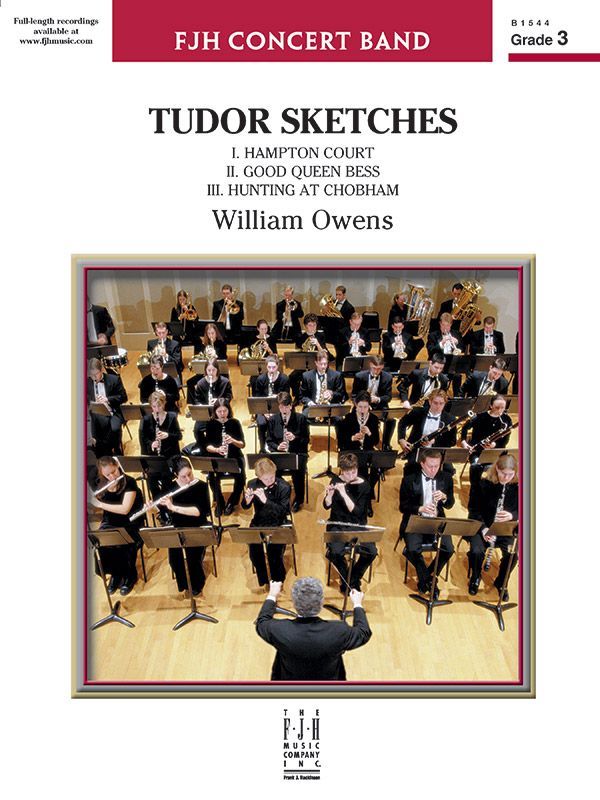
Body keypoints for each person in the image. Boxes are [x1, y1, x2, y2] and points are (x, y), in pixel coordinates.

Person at [255, 577, 371, 680]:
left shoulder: (280, 630)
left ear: (294, 603)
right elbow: (363, 632)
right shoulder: (338, 631)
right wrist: (357, 604)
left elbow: (261, 622)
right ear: (321, 603)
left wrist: (272, 595)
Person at [399, 448, 455, 596]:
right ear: (422, 464)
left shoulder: (446, 478)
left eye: (437, 466)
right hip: (415, 520)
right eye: (430, 466)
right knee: (413, 549)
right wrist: (421, 508)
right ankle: (430, 582)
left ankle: (428, 576)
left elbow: (450, 504)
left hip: (437, 520)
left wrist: (444, 497)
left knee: (448, 549)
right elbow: (403, 507)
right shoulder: (409, 480)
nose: (433, 470)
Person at [88, 456, 145, 596]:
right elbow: (102, 509)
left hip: (130, 522)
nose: (112, 476)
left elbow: (125, 509)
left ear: (118, 466)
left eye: (114, 471)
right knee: (103, 543)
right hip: (110, 521)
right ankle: (116, 575)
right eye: (108, 474)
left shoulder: (129, 482)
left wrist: (99, 504)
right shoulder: (102, 483)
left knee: (122, 543)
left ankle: (129, 575)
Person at [157, 457, 212, 597]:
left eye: (190, 474)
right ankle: (184, 584)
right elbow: (162, 511)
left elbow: (199, 512)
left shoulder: (200, 486)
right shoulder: (169, 488)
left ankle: (197, 584)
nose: (188, 479)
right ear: (176, 475)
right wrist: (152, 508)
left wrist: (173, 507)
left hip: (197, 526)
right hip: (177, 526)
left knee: (193, 558)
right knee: (174, 560)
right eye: (183, 476)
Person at [466, 452, 518, 599]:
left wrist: (512, 516)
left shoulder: (519, 487)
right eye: (503, 473)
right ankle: (475, 577)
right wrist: (484, 529)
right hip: (482, 527)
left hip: (505, 529)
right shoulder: (484, 485)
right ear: (496, 469)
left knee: (513, 554)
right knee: (476, 551)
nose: (506, 478)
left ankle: (501, 582)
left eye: (510, 474)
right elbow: (473, 510)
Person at [324, 452, 376, 592]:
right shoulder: (335, 480)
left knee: (371, 551)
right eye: (347, 473)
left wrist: (344, 494)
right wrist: (329, 495)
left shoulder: (364, 486)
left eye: (354, 472)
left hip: (357, 525)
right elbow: (327, 505)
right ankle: (349, 581)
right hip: (337, 525)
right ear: (341, 471)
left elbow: (357, 512)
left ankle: (352, 578)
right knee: (335, 552)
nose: (351, 476)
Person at [241, 457, 291, 587]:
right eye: (265, 479)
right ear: (259, 477)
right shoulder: (252, 484)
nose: (269, 481)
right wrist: (247, 500)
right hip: (259, 521)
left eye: (272, 477)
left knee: (274, 553)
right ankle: (263, 579)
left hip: (278, 523)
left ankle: (278, 579)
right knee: (254, 552)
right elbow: (245, 506)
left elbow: (283, 511)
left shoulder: (284, 487)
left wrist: (265, 501)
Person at [336, 392, 381, 516]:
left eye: (365, 407)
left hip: (367, 451)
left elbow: (376, 441)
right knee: (360, 471)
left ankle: (367, 494)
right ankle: (358, 496)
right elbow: (341, 440)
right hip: (352, 451)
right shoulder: (348, 418)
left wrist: (369, 433)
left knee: (376, 471)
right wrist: (352, 438)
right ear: (355, 405)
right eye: (360, 407)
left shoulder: (373, 419)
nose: (362, 410)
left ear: (369, 406)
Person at [265, 392, 310, 512]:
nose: (283, 410)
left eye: (286, 407)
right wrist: (278, 447)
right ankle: (280, 495)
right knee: (273, 471)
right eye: (281, 407)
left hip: (297, 452)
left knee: (298, 471)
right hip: (280, 453)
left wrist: (295, 438)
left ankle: (298, 499)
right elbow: (269, 441)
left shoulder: (300, 419)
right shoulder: (273, 420)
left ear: (291, 406)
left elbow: (306, 440)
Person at [203, 398, 246, 515]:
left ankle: (232, 501)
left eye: (225, 411)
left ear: (229, 410)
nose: (222, 414)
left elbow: (242, 444)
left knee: (241, 478)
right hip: (217, 457)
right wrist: (217, 449)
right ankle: (220, 501)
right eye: (219, 411)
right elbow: (207, 446)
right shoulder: (210, 424)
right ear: (215, 411)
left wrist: (232, 440)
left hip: (234, 457)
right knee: (212, 478)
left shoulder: (235, 423)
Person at [397, 389, 457, 461]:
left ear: (445, 403)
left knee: (448, 468)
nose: (438, 406)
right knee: (412, 467)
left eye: (441, 403)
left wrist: (434, 441)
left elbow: (452, 441)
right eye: (435, 403)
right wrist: (401, 439)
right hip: (417, 450)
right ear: (430, 401)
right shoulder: (418, 412)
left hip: (438, 453)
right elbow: (402, 423)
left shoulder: (450, 419)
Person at [351, 355, 395, 449]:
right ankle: (354, 441)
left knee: (391, 420)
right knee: (351, 416)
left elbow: (388, 397)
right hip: (362, 405)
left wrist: (378, 399)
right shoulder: (359, 376)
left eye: (379, 369)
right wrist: (363, 405)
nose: (376, 371)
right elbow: (354, 395)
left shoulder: (388, 377)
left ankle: (386, 444)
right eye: (374, 368)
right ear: (370, 364)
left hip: (379, 405)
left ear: (383, 366)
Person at [87, 357, 127, 456]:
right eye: (91, 375)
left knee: (114, 428)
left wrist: (107, 399)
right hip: (96, 415)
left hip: (113, 412)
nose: (94, 377)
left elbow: (123, 397)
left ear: (101, 370)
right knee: (93, 433)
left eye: (96, 374)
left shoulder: (114, 379)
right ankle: (102, 453)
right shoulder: (87, 383)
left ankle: (116, 449)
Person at [252, 355, 290, 449]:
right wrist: (265, 413)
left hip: (280, 409)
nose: (271, 370)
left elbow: (287, 398)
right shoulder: (261, 379)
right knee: (261, 423)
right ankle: (262, 448)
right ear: (266, 366)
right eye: (269, 367)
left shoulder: (284, 379)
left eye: (274, 367)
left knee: (281, 421)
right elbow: (258, 399)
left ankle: (280, 445)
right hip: (264, 410)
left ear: (278, 366)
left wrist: (277, 397)